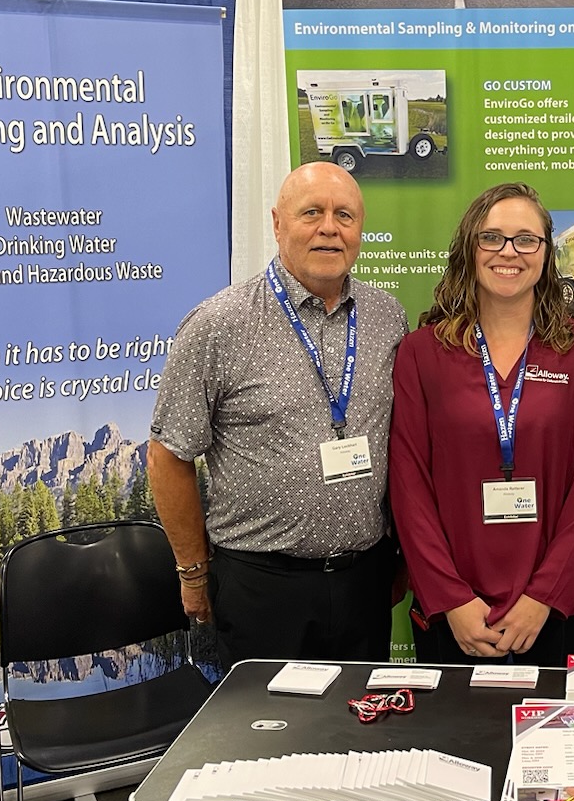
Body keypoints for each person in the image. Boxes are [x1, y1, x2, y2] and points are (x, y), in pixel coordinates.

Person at [147, 163, 408, 667]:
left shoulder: (385, 316)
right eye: (312, 212)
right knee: (267, 741)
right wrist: (193, 573)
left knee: (363, 737)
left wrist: (400, 558)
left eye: (345, 215)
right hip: (262, 590)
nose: (329, 227)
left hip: (365, 583)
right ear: (277, 223)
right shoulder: (218, 325)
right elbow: (167, 456)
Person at [389, 183, 574, 666]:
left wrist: (543, 597)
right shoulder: (422, 353)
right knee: (457, 743)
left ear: (545, 253)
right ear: (469, 248)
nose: (508, 252)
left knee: (564, 743)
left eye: (525, 239)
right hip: (457, 613)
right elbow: (409, 484)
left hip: (562, 610)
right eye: (492, 237)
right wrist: (451, 598)